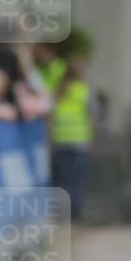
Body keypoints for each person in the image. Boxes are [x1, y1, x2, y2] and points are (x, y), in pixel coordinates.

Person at [49, 59, 94, 220]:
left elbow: (51, 116)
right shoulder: (83, 90)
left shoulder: (58, 90)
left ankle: (62, 212)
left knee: (62, 179)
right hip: (80, 141)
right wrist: (91, 141)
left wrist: (52, 137)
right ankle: (75, 213)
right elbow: (91, 116)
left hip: (61, 141)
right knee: (77, 180)